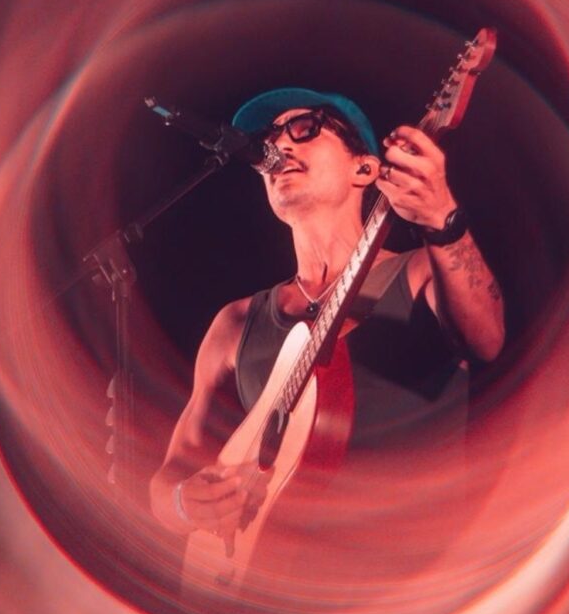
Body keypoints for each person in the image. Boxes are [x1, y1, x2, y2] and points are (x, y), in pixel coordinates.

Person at [149, 88, 504, 545]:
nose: (279, 144)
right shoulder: (236, 322)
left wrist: (443, 221)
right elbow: (171, 474)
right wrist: (183, 504)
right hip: (270, 575)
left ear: (365, 169)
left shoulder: (423, 271)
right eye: (269, 137)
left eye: (304, 128)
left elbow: (487, 339)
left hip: (412, 567)